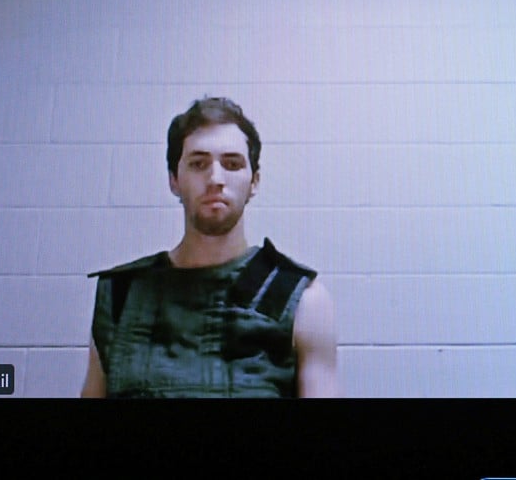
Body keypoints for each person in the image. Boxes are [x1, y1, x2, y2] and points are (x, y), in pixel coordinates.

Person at [81, 97, 339, 398]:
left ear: (254, 181)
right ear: (174, 180)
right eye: (198, 164)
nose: (216, 179)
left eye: (232, 164)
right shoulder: (121, 295)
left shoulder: (301, 299)